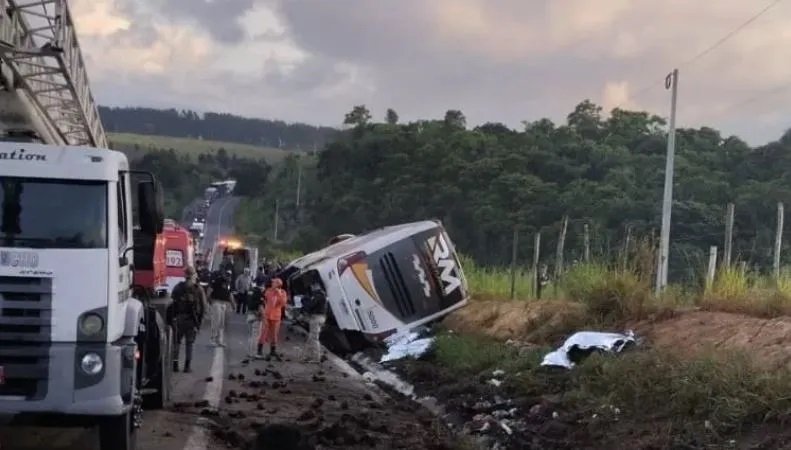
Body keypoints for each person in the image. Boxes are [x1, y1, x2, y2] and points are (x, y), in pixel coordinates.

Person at [170, 266, 206, 373]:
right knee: (189, 343)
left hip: (180, 318)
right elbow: (203, 306)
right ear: (193, 275)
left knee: (177, 342)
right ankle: (187, 366)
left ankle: (175, 365)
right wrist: (199, 321)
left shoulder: (178, 287)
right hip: (192, 320)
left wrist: (173, 317)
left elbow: (173, 302)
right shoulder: (198, 289)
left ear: (185, 275)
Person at [260, 277, 288, 361]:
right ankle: (259, 350)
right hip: (267, 315)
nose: (272, 284)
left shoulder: (283, 292)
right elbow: (264, 300)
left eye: (274, 283)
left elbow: (283, 304)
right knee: (263, 333)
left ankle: (272, 351)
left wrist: (279, 294)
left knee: (274, 335)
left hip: (276, 317)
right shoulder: (268, 291)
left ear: (278, 285)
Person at [300, 285, 328, 364]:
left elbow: (311, 306)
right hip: (321, 317)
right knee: (310, 338)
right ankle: (306, 356)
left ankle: (316, 358)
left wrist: (305, 300)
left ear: (316, 287)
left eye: (313, 286)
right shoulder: (323, 295)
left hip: (316, 318)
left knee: (314, 338)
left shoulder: (318, 296)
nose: (311, 287)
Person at [208, 269, 235, 347]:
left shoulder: (228, 284)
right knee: (216, 322)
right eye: (228, 276)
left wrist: (233, 304)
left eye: (230, 276)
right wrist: (209, 300)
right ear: (225, 275)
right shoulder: (218, 281)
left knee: (222, 323)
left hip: (224, 304)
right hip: (216, 302)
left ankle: (220, 340)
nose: (229, 278)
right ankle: (213, 339)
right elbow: (210, 290)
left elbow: (230, 295)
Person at [246, 280, 265, 358]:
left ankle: (249, 352)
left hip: (249, 314)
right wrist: (263, 317)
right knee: (255, 336)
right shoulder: (259, 293)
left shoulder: (251, 291)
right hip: (256, 316)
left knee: (251, 335)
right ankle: (253, 353)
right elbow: (260, 306)